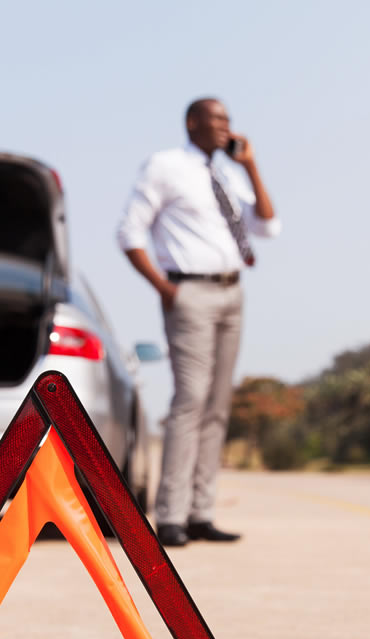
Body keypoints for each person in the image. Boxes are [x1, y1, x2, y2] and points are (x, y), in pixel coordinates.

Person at [116, 97, 280, 547]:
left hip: (233, 291)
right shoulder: (166, 165)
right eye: (218, 118)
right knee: (190, 400)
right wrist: (166, 290)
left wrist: (251, 167)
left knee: (218, 405)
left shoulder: (227, 174)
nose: (227, 126)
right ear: (193, 123)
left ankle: (201, 513)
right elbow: (129, 232)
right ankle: (169, 515)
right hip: (189, 291)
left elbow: (267, 226)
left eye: (229, 119)